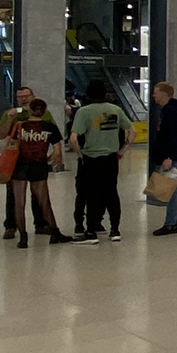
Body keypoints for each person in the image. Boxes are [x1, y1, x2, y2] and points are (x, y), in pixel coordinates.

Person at [69, 80, 129, 242]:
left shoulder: (84, 112)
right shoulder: (116, 110)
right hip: (111, 159)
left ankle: (90, 230)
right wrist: (122, 151)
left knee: (89, 193)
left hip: (91, 158)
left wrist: (80, 154)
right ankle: (115, 230)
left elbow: (73, 138)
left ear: (88, 94)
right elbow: (133, 131)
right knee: (111, 193)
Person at [8, 96, 70, 247]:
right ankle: (55, 233)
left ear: (30, 110)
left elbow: (12, 144)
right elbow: (57, 152)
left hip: (20, 166)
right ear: (44, 111)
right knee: (44, 201)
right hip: (39, 166)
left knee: (19, 203)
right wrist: (47, 159)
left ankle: (23, 238)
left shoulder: (19, 126)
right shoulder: (49, 127)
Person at [0, 85, 36, 238]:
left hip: (36, 156)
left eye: (27, 95)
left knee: (38, 193)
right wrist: (9, 119)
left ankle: (41, 223)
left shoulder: (42, 113)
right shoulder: (9, 113)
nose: (24, 99)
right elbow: (0, 135)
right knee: (12, 194)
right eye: (20, 97)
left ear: (33, 96)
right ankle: (10, 225)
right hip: (16, 158)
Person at [151, 79, 177, 235]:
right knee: (173, 188)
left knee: (169, 190)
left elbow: (173, 136)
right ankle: (176, 220)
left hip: (170, 157)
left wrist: (168, 157)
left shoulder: (171, 112)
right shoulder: (168, 110)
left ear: (164, 94)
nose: (153, 95)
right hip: (169, 155)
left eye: (156, 92)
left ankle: (171, 223)